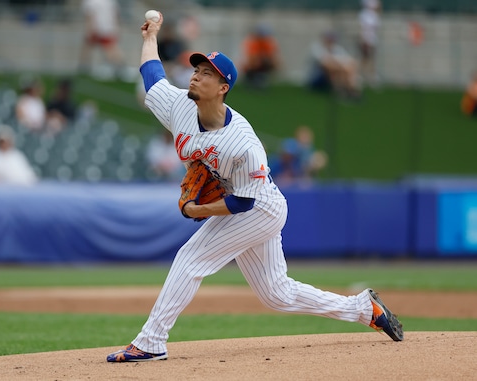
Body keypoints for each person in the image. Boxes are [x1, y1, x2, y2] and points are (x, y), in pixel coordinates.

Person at [106, 12, 403, 363]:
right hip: (248, 203)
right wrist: (149, 36)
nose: (196, 75)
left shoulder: (242, 143)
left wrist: (198, 210)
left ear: (223, 88)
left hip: (259, 206)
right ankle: (363, 309)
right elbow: (152, 73)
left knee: (191, 257)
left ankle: (151, 341)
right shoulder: (179, 106)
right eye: (196, 69)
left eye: (206, 74)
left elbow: (243, 203)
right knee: (276, 294)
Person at [79, 0, 127, 79]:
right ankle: (120, 67)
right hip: (109, 28)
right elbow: (116, 15)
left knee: (109, 50)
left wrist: (89, 30)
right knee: (110, 49)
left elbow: (90, 16)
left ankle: (119, 67)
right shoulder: (109, 1)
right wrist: (117, 27)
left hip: (98, 28)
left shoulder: (90, 2)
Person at [308, 31, 361, 99]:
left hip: (336, 74)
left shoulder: (337, 49)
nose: (330, 41)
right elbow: (323, 62)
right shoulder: (316, 48)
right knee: (333, 68)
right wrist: (341, 66)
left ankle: (349, 89)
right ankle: (344, 90)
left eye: (332, 39)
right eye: (328, 39)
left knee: (349, 67)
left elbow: (348, 60)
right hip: (317, 77)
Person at [240, 24, 281, 89]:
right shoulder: (253, 43)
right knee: (256, 63)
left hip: (261, 63)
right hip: (251, 66)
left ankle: (261, 79)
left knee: (271, 64)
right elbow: (252, 58)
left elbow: (272, 57)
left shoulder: (267, 43)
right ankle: (253, 79)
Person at [358, 0, 382, 87]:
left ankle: (372, 76)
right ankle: (360, 75)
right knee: (365, 57)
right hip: (366, 39)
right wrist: (364, 39)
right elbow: (363, 28)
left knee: (372, 58)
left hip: (373, 39)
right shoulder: (364, 15)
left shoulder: (375, 16)